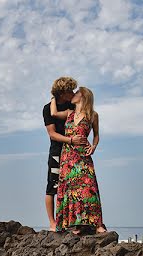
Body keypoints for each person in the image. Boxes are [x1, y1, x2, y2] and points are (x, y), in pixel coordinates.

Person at [49, 86, 105, 234]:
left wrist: (94, 146)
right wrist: (54, 95)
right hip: (67, 156)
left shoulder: (93, 115)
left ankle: (97, 224)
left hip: (83, 155)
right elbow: (53, 113)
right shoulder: (69, 113)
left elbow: (97, 135)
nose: (73, 95)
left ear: (83, 96)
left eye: (77, 93)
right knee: (71, 189)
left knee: (89, 187)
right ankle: (76, 225)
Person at [43, 77, 87, 232]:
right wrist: (70, 140)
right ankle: (52, 223)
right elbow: (52, 134)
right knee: (52, 186)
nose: (73, 93)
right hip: (57, 151)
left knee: (74, 185)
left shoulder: (71, 105)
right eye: (70, 90)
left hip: (74, 152)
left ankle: (74, 222)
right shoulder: (48, 108)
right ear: (63, 93)